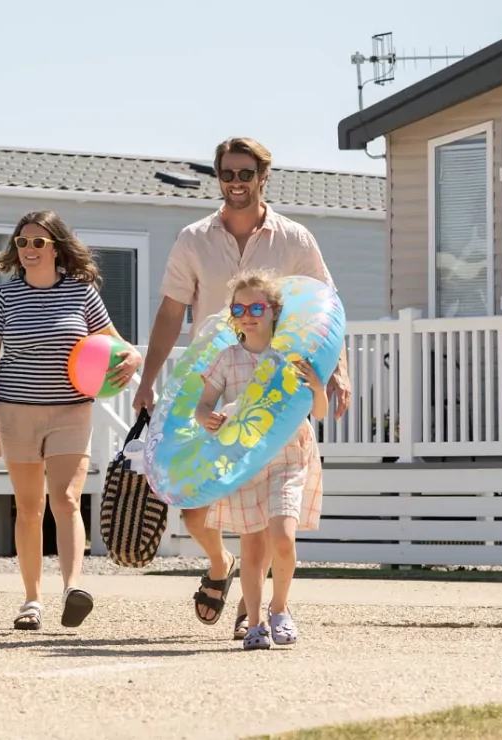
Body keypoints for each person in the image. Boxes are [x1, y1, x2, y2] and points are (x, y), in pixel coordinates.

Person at [131, 136, 351, 639]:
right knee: (194, 510)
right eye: (227, 174)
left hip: (271, 394)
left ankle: (254, 611)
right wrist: (148, 380)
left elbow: (324, 311)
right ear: (219, 178)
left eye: (245, 174)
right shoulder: (193, 238)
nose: (236, 183)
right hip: (219, 380)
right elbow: (170, 312)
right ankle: (217, 563)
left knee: (268, 523)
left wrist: (336, 371)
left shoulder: (293, 239)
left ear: (262, 177)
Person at [0, 209, 142, 631]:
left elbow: (114, 342)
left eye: (37, 242)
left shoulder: (81, 293)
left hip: (72, 410)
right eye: (21, 242)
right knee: (29, 508)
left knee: (66, 499)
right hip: (16, 411)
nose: (28, 249)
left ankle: (72, 588)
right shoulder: (3, 297)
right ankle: (31, 600)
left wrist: (134, 355)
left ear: (55, 247)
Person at [194, 268, 324, 650]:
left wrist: (317, 385)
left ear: (273, 311)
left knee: (283, 538)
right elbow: (204, 406)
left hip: (286, 454)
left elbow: (316, 409)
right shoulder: (227, 359)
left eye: (256, 306)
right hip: (245, 458)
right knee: (252, 546)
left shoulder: (290, 357)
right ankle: (254, 623)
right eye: (239, 307)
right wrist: (208, 418)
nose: (248, 314)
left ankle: (280, 608)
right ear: (233, 315)